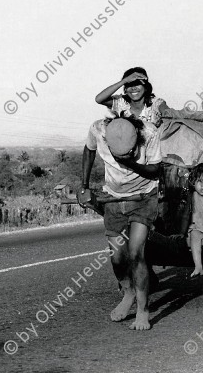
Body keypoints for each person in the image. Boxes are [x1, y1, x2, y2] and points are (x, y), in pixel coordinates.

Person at [80, 114, 161, 330]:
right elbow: (89, 150)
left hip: (144, 196)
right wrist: (83, 185)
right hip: (113, 197)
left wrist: (129, 163)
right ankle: (128, 293)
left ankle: (143, 311)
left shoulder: (150, 132)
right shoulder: (98, 129)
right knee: (117, 258)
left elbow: (155, 170)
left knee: (136, 253)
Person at [95, 67, 169, 125]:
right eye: (129, 85)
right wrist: (124, 81)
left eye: (137, 84)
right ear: (125, 89)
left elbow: (169, 114)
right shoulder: (122, 103)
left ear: (145, 87)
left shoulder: (156, 103)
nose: (133, 88)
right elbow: (99, 99)